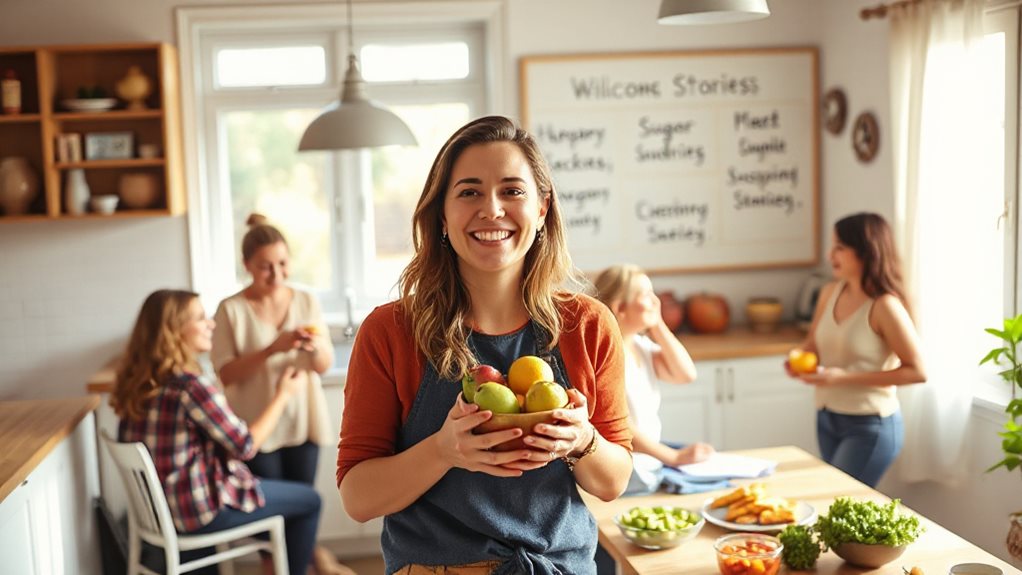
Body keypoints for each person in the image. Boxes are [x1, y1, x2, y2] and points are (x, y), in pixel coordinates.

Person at [336, 115, 634, 575]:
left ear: (541, 209)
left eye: (512, 191)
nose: (491, 209)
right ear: (442, 214)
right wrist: (442, 451)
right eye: (469, 191)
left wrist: (582, 440)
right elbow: (358, 497)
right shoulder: (391, 331)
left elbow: (613, 482)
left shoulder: (588, 324)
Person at [111, 289, 320, 575]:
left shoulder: (138, 383)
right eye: (200, 318)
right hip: (196, 512)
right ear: (174, 331)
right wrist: (283, 395)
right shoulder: (190, 385)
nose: (211, 323)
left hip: (161, 513)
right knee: (309, 500)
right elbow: (246, 445)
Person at [211, 214, 353, 575]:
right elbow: (226, 374)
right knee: (267, 515)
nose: (276, 275)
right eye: (265, 267)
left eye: (282, 264)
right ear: (247, 266)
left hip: (303, 420)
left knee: (301, 506)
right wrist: (274, 347)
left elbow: (321, 365)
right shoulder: (231, 309)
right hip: (255, 428)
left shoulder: (305, 301)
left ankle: (306, 561)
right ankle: (301, 564)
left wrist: (315, 347)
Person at [786, 212, 926, 487]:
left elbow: (918, 372)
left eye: (839, 247)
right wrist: (797, 360)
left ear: (865, 251)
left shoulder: (885, 306)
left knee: (835, 500)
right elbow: (813, 343)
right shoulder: (830, 292)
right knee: (836, 507)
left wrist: (842, 377)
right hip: (827, 416)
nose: (830, 255)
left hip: (870, 425)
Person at [593, 263, 714, 494]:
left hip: (649, 462)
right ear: (620, 308)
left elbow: (685, 374)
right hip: (629, 470)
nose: (656, 302)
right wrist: (674, 456)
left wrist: (657, 324)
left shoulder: (641, 346)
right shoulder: (607, 355)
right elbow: (619, 425)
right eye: (646, 296)